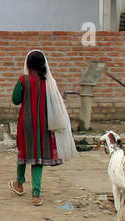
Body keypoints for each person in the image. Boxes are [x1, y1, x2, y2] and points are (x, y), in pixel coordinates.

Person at [10, 49, 76, 205]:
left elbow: (15, 99)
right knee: (38, 157)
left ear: (27, 63)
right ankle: (36, 195)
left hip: (26, 123)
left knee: (24, 151)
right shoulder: (49, 82)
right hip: (43, 123)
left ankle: (19, 184)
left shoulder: (23, 80)